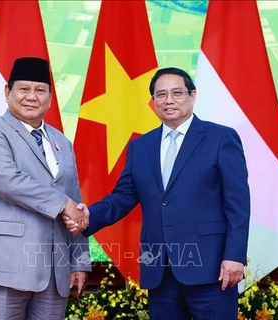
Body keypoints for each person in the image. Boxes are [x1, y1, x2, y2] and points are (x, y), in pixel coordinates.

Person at [77, 67, 250, 319]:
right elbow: (123, 197)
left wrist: (234, 256)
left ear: (193, 95)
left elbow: (238, 204)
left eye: (177, 93)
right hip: (159, 271)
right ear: (153, 102)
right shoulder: (140, 147)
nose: (169, 100)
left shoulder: (221, 138)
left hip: (212, 270)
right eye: (161, 95)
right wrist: (88, 215)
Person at [0, 57, 91, 320]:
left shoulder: (62, 142)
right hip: (2, 267)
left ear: (50, 98)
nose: (32, 96)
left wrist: (78, 261)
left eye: (40, 90)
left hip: (55, 272)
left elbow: (75, 202)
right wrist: (62, 203)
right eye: (24, 89)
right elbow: (9, 181)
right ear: (8, 92)